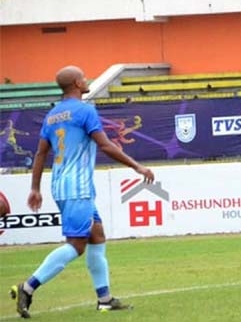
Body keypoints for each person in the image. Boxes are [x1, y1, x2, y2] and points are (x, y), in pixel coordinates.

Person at [10, 66, 155, 319]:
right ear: (77, 83)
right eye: (84, 77)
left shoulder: (52, 115)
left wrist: (35, 187)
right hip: (78, 187)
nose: (87, 80)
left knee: (96, 236)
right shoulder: (86, 110)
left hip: (61, 185)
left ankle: (105, 299)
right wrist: (137, 166)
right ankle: (29, 286)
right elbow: (105, 145)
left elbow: (41, 153)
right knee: (76, 245)